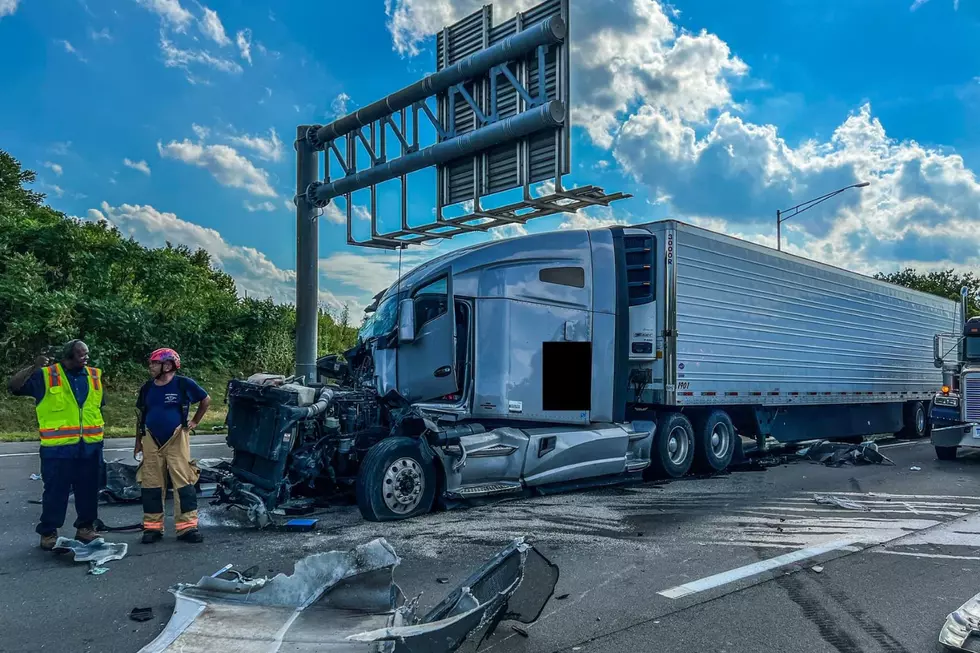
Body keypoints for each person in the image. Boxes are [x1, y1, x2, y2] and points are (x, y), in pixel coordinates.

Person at [7, 340, 105, 550]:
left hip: (90, 447)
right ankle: (48, 531)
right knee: (55, 492)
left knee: (89, 490)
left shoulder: (95, 376)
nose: (86, 357)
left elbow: (96, 408)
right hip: (58, 449)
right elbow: (14, 387)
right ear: (68, 356)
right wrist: (34, 367)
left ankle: (85, 528)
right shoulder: (47, 375)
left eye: (87, 353)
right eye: (81, 354)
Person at [135, 348, 210, 544]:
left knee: (184, 482)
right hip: (150, 438)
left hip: (177, 438)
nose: (150, 366)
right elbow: (141, 416)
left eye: (154, 363)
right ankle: (152, 528)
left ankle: (187, 528)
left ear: (167, 365)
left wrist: (194, 421)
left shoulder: (183, 384)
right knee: (151, 483)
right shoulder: (147, 388)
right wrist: (138, 443)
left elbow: (205, 400)